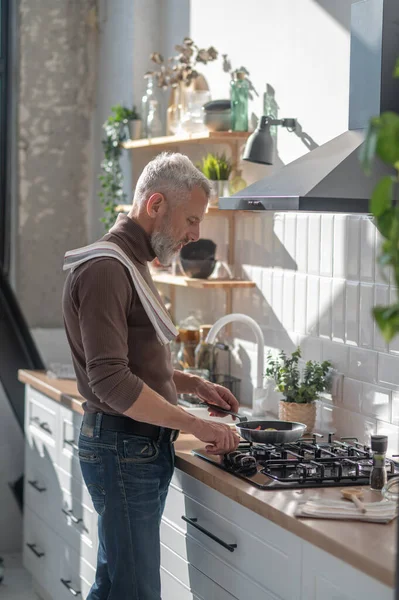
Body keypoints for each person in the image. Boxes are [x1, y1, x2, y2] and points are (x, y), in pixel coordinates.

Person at [62, 152, 241, 600]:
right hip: (123, 448)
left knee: (113, 586)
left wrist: (193, 385)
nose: (195, 235)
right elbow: (111, 383)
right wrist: (196, 425)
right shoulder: (107, 268)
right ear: (156, 204)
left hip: (133, 447)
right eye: (192, 220)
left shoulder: (131, 262)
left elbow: (137, 361)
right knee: (136, 591)